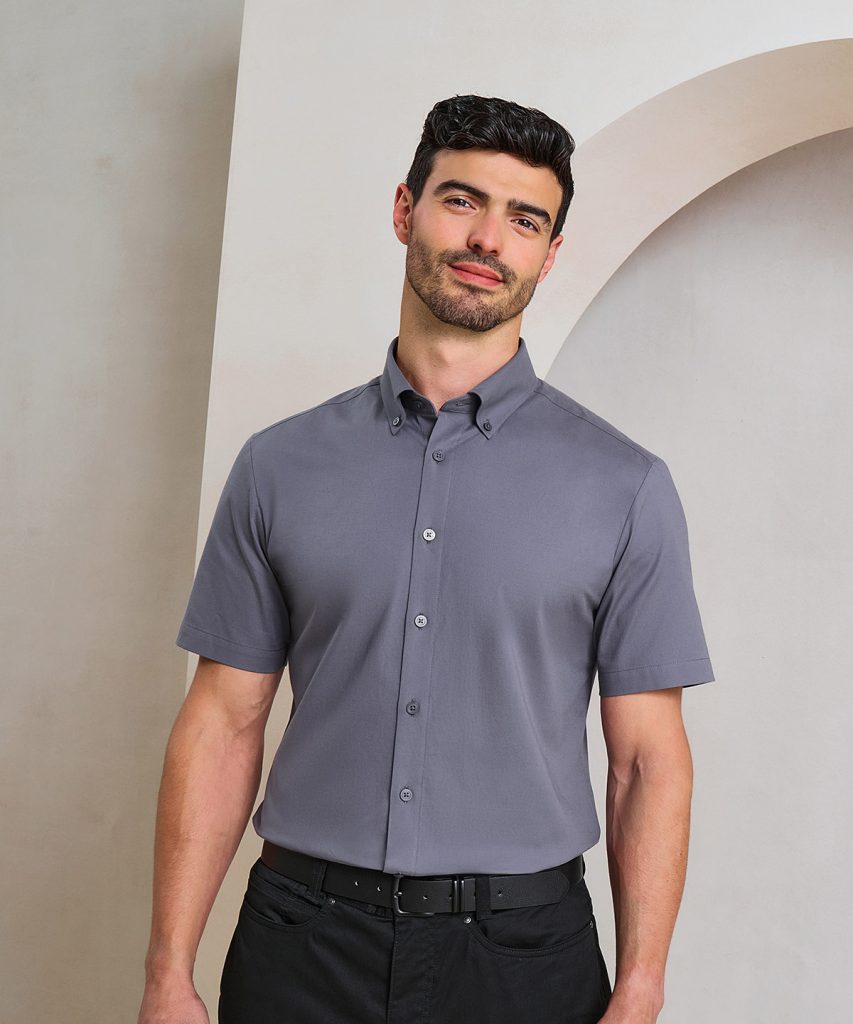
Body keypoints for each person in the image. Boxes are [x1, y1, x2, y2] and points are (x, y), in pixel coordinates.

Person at [138, 94, 715, 1024]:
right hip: (301, 944)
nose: (487, 238)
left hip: (523, 958)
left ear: (549, 254)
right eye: (462, 200)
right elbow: (222, 723)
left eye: (523, 220)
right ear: (405, 210)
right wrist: (168, 972)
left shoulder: (625, 486)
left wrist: (641, 985)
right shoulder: (278, 466)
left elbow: (646, 761)